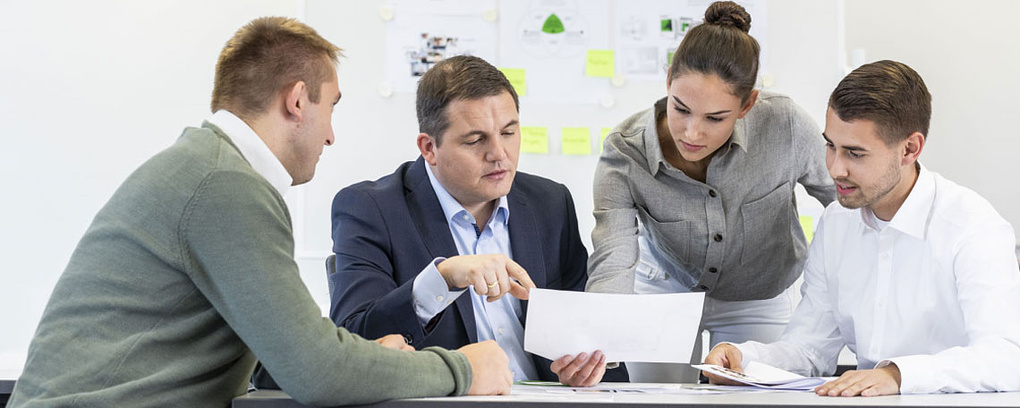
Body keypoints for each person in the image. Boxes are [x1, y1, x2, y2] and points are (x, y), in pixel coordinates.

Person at [8, 17, 512, 408]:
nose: (331, 135)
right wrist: (463, 370)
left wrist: (373, 360)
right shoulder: (225, 185)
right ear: (298, 101)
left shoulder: (211, 167)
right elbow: (316, 371)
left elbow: (280, 354)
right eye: (331, 108)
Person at [703, 60, 1020, 396]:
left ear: (910, 149)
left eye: (855, 154)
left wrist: (898, 375)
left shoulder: (972, 227)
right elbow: (809, 348)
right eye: (831, 146)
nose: (835, 169)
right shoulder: (837, 223)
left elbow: (1008, 357)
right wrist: (744, 359)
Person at [328, 55, 627, 387]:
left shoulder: (550, 203)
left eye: (509, 132)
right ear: (429, 148)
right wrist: (442, 279)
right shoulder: (371, 209)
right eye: (475, 140)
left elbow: (590, 333)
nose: (499, 153)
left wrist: (589, 368)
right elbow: (353, 344)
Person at [586, 1, 834, 382]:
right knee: (653, 399)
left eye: (715, 118)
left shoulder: (785, 125)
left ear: (747, 105)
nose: (692, 132)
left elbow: (846, 201)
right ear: (669, 80)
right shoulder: (625, 150)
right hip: (665, 286)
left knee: (756, 397)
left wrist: (833, 293)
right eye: (681, 108)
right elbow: (613, 258)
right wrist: (597, 344)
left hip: (759, 294)